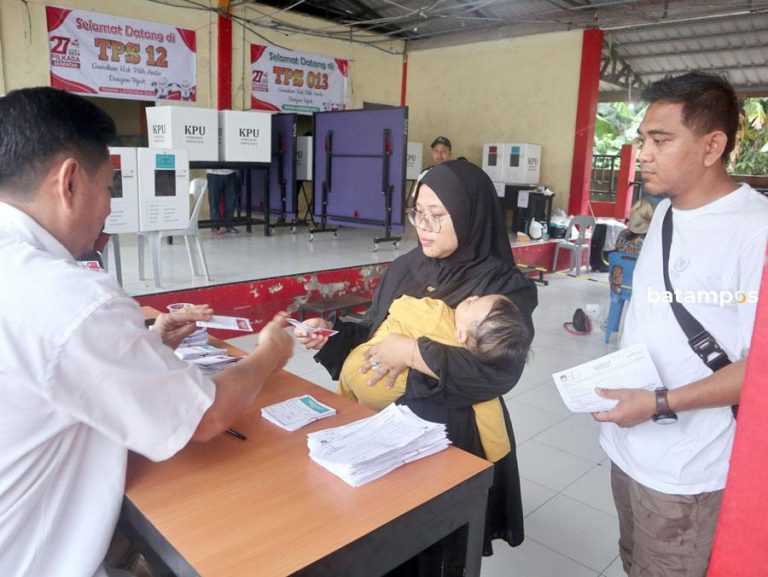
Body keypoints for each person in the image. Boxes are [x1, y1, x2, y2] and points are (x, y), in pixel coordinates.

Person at [0, 87, 293, 577]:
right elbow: (205, 418)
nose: (109, 208)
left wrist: (148, 343)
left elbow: (49, 373)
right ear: (69, 182)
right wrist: (270, 353)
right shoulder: (69, 299)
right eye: (109, 187)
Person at [296, 160, 538, 557]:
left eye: (437, 215)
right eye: (418, 213)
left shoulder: (503, 285)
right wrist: (330, 336)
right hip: (384, 424)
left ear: (470, 215)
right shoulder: (406, 266)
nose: (423, 226)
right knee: (381, 535)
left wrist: (411, 352)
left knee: (435, 543)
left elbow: (498, 373)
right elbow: (374, 328)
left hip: (448, 435)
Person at [593, 71, 768, 577]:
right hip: (629, 446)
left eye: (661, 140)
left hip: (687, 471)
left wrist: (659, 403)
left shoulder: (755, 230)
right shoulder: (666, 213)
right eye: (643, 139)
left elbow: (758, 370)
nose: (643, 154)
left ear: (712, 146)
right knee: (633, 560)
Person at [339, 294, 532, 462]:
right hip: (371, 406)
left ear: (461, 336)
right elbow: (373, 321)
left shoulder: (439, 317)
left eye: (472, 303)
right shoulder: (478, 340)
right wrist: (335, 334)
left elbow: (401, 304)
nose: (473, 296)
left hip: (427, 436)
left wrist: (412, 351)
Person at [610, 199, 655, 292]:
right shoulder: (653, 239)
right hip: (641, 287)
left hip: (618, 285)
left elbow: (616, 254)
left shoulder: (622, 234)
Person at [407, 136, 453, 206]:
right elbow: (416, 197)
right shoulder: (425, 173)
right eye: (436, 151)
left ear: (450, 154)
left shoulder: (455, 174)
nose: (440, 155)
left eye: (444, 151)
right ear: (432, 153)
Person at [206, 169, 240, 234]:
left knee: (231, 202)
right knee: (214, 202)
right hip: (214, 173)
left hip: (231, 172)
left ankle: (229, 225)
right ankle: (216, 226)